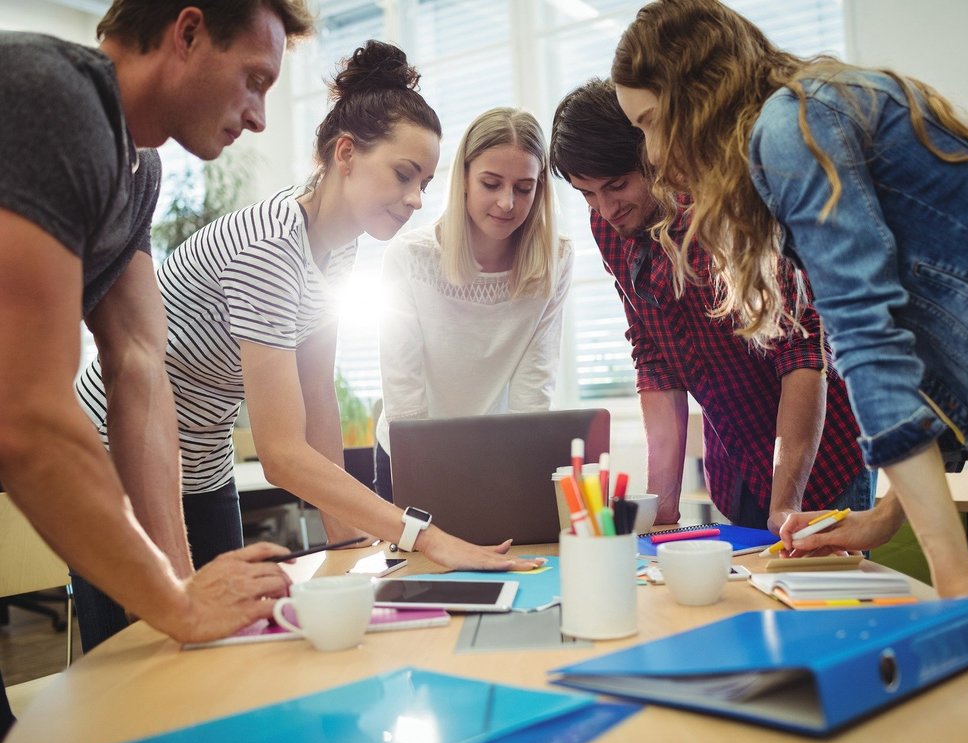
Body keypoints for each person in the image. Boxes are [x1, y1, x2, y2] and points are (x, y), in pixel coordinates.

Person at [72, 41, 540, 652]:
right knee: (140, 662)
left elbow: (316, 391)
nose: (417, 198)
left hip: (203, 463)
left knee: (221, 653)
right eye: (403, 174)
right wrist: (421, 535)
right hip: (118, 453)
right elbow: (282, 454)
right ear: (346, 154)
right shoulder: (269, 246)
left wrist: (347, 540)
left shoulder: (338, 248)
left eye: (424, 181)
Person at [611, 0, 968, 596]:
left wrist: (952, 574)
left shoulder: (792, 128)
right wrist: (882, 520)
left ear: (698, 93)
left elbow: (870, 343)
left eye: (650, 121)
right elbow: (937, 366)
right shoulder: (814, 108)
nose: (654, 153)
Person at [0, 0, 314, 737]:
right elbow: (27, 416)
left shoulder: (136, 166)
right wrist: (177, 605)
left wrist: (181, 593)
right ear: (189, 31)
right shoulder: (57, 99)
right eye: (254, 80)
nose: (260, 116)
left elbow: (141, 366)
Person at [549, 78, 870, 532]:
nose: (604, 209)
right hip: (736, 463)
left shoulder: (725, 209)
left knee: (825, 598)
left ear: (652, 156)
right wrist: (661, 507)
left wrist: (786, 505)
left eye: (616, 185)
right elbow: (654, 357)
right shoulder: (610, 225)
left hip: (818, 458)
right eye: (587, 194)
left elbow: (800, 353)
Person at [374, 108, 573, 501]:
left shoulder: (556, 259)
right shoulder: (410, 257)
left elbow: (534, 389)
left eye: (523, 187)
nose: (507, 203)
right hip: (410, 451)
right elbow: (403, 392)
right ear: (464, 179)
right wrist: (432, 476)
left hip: (499, 453)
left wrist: (516, 475)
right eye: (491, 183)